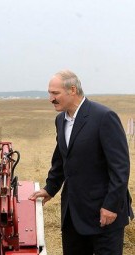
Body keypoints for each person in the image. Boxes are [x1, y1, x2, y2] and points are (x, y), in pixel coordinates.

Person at [29, 70, 133, 255]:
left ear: (73, 90)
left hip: (104, 215)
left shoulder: (104, 117)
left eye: (55, 93)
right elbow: (62, 159)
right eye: (49, 93)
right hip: (72, 215)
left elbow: (120, 168)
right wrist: (50, 188)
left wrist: (111, 206)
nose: (50, 98)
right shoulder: (60, 120)